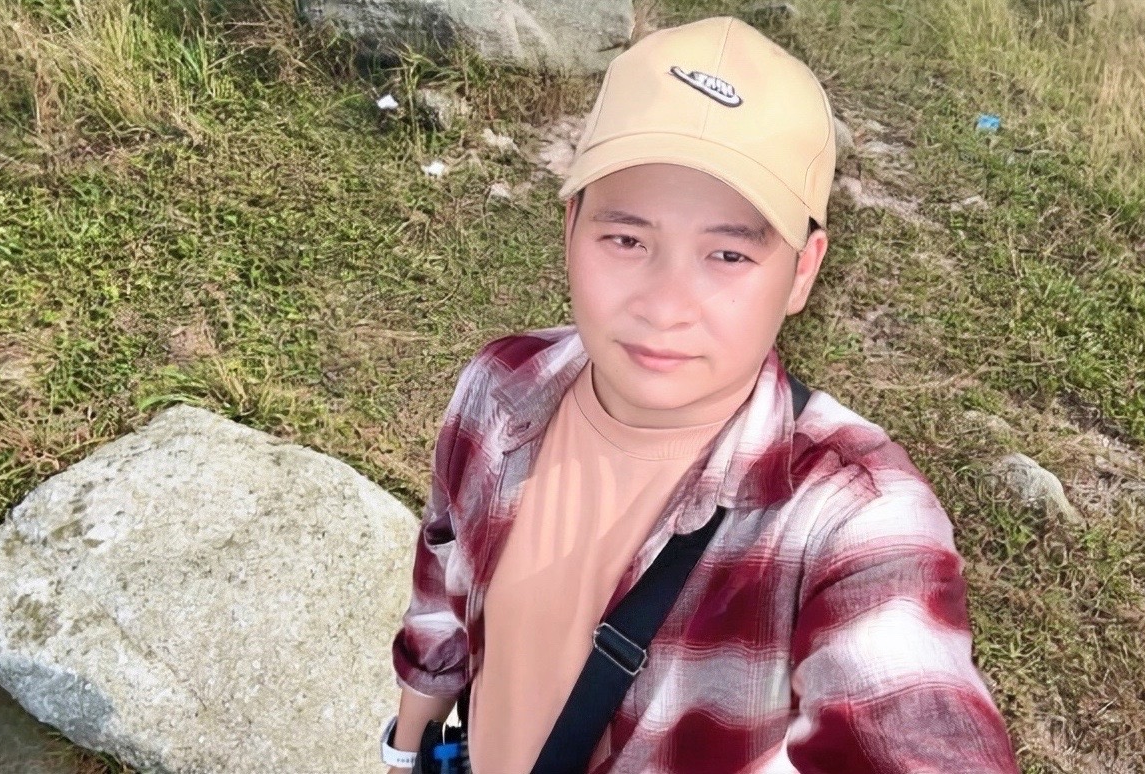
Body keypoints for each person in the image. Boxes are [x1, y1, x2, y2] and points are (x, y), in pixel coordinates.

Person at [381, 16, 1020, 774]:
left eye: (727, 254)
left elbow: (917, 723)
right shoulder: (500, 385)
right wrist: (408, 746)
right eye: (627, 240)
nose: (665, 306)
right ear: (570, 228)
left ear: (803, 272)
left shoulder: (849, 516)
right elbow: (443, 587)